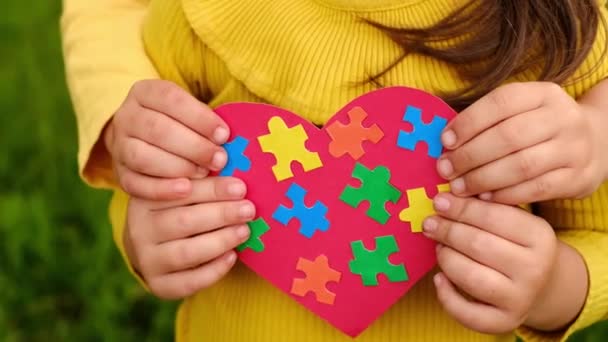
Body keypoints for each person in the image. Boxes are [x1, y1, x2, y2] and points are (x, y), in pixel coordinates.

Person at [61, 0, 608, 341]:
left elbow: (596, 238)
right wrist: (145, 234)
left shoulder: (562, 30)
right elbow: (153, 179)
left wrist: (551, 286)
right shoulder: (200, 16)